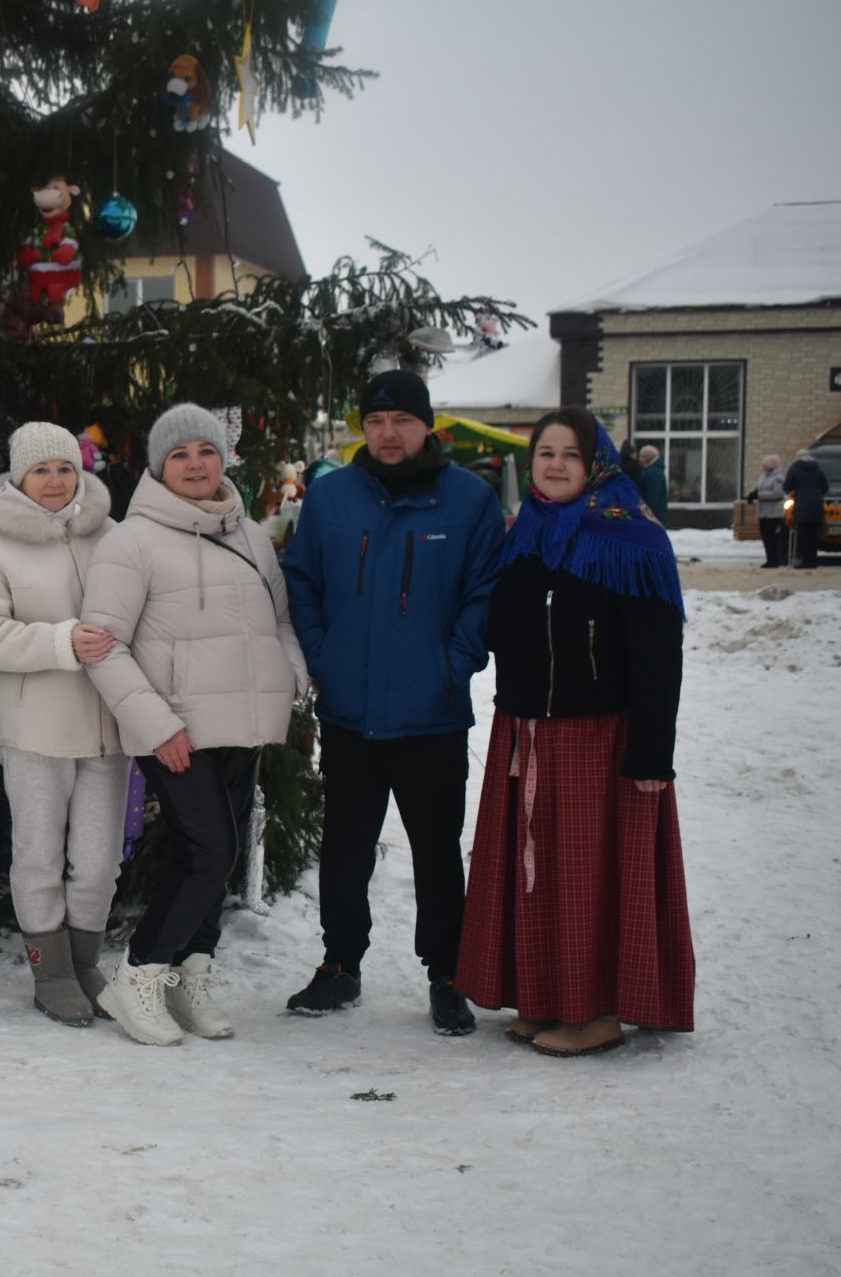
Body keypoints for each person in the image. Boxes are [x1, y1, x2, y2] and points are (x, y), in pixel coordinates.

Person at [455, 409, 692, 1056]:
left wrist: (651, 755)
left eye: (570, 455)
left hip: (599, 738)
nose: (555, 464)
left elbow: (656, 657)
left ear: (597, 466)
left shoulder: (633, 543)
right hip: (526, 731)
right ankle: (544, 997)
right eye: (544, 453)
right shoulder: (524, 536)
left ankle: (597, 1012)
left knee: (587, 879)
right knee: (536, 877)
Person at [279, 369, 504, 1036]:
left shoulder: (468, 501)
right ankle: (340, 965)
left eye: (401, 420)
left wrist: (452, 664)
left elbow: (484, 592)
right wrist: (325, 658)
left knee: (436, 849)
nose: (387, 433)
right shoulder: (332, 499)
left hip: (430, 712)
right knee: (345, 846)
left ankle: (447, 975)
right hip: (349, 709)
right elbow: (303, 582)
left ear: (426, 424)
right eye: (375, 422)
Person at [80, 406, 308, 1045]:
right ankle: (141, 973)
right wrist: (156, 726)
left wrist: (287, 677)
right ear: (158, 466)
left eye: (205, 451)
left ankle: (190, 972)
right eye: (179, 455)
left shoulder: (250, 534)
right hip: (176, 728)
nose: (195, 464)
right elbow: (103, 644)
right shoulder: (131, 541)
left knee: (212, 856)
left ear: (222, 458)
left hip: (244, 722)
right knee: (212, 852)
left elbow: (280, 620)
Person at [0, 421, 126, 1026]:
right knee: (38, 855)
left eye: (64, 468)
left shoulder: (109, 534)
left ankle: (85, 961)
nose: (55, 481)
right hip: (34, 728)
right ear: (17, 478)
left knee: (100, 856)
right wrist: (63, 642)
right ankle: (51, 971)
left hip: (108, 725)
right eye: (41, 470)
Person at [783, 448, 830, 570]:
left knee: (804, 534)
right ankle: (813, 561)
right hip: (816, 505)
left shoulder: (795, 468)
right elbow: (825, 486)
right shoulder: (817, 468)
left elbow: (787, 486)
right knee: (813, 534)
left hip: (802, 504)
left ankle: (805, 561)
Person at [750, 454, 788, 569]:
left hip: (774, 512)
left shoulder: (779, 478)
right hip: (762, 512)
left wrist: (759, 495)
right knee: (765, 536)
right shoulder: (763, 476)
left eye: (765, 466)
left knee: (771, 536)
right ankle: (769, 559)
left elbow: (777, 493)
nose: (763, 468)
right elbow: (759, 488)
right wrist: (753, 494)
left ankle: (774, 560)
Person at [635, 444, 669, 524]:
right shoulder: (653, 471)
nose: (639, 459)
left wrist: (645, 514)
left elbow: (652, 497)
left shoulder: (653, 473)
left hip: (652, 517)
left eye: (641, 456)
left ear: (647, 458)